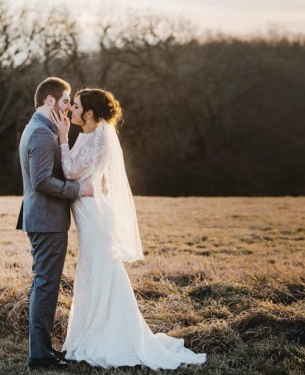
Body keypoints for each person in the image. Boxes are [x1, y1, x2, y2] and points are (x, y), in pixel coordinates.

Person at [49, 88, 207, 369]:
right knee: (92, 272)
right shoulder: (86, 134)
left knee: (102, 272)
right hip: (87, 213)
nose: (71, 109)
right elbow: (73, 169)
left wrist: (62, 137)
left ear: (89, 113)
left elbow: (71, 172)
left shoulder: (98, 137)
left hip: (96, 217)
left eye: (76, 106)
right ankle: (90, 334)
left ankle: (110, 338)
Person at [16, 77, 93, 370]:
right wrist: (79, 190)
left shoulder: (42, 128)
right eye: (65, 101)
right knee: (46, 285)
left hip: (44, 219)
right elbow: (42, 182)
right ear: (50, 101)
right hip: (46, 220)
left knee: (45, 283)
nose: (67, 107)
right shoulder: (40, 133)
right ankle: (40, 355)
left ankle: (43, 349)